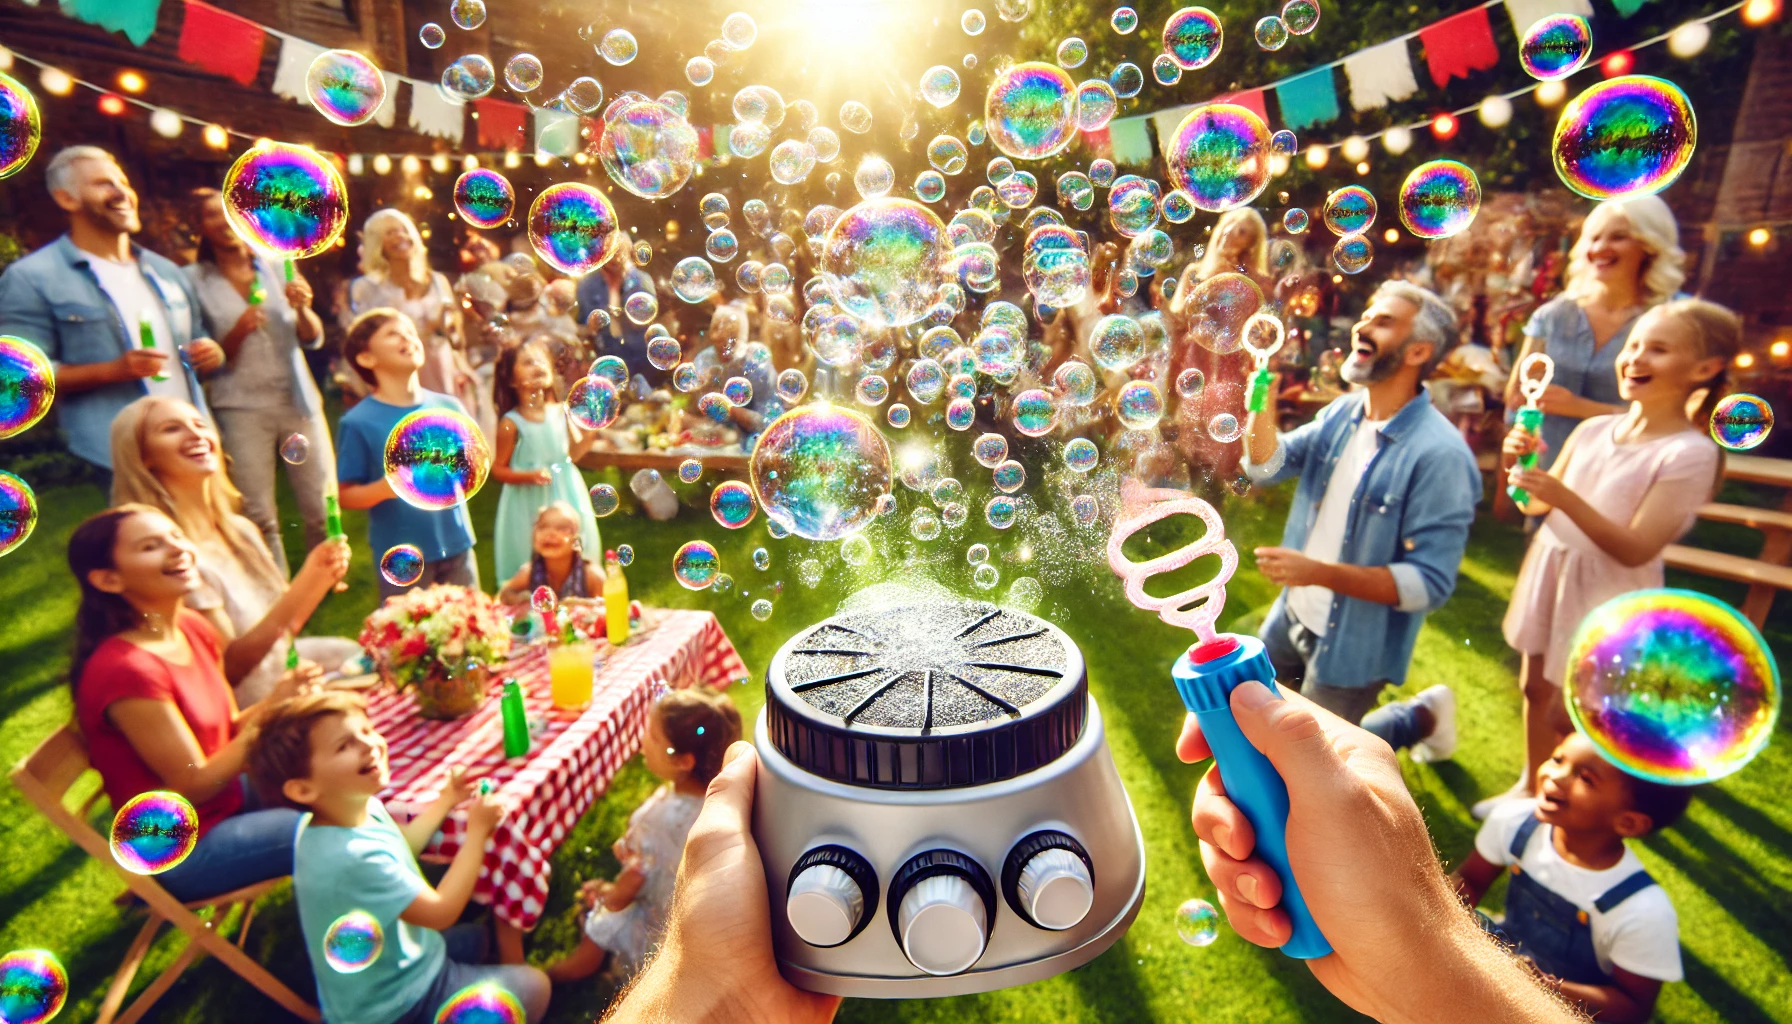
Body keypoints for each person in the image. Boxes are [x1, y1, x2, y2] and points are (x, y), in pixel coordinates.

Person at [1476, 299, 1733, 818]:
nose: (1635, 357)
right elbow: (1535, 503)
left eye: (1657, 349)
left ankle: (1568, 802)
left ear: (1704, 370)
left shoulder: (1689, 452)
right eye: (1634, 344)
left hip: (1607, 592)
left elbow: (1636, 546)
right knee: (1534, 686)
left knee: (1573, 706)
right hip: (1553, 566)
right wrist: (1519, 461)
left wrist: (1562, 494)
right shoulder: (1594, 430)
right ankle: (1531, 785)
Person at [1240, 280, 1480, 753]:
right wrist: (1259, 405)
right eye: (1367, 313)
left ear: (1418, 352)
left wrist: (1318, 574)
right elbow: (1265, 466)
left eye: (1384, 320)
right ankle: (1419, 716)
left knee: (1313, 760)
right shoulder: (1342, 414)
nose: (1363, 323)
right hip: (1290, 615)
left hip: (1352, 649)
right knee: (1264, 731)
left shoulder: (1440, 455)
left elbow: (1426, 585)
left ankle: (1415, 719)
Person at [249, 690, 551, 1023]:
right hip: (398, 1005)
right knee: (537, 986)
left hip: (391, 968)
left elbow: (400, 844)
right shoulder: (351, 858)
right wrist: (477, 832)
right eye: (344, 746)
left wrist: (445, 801)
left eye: (366, 730)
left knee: (481, 939)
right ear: (303, 789)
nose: (369, 744)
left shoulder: (346, 810)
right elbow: (441, 912)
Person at [67, 505, 317, 904]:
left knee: (335, 780)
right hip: (183, 847)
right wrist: (267, 717)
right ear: (108, 579)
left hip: (228, 799)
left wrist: (279, 699)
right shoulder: (126, 670)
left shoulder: (191, 627)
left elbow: (225, 728)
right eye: (151, 546)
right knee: (326, 826)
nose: (177, 549)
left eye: (176, 536)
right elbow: (194, 785)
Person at [110, 396, 356, 704]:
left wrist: (319, 579)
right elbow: (231, 668)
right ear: (143, 457)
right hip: (253, 711)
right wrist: (305, 582)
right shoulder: (174, 558)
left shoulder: (240, 531)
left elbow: (283, 631)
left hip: (288, 677)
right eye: (172, 429)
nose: (196, 434)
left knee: (358, 656)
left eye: (200, 424)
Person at [0, 146, 223, 481]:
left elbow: (197, 336)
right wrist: (114, 370)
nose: (122, 193)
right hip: (121, 455)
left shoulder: (166, 270)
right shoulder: (31, 277)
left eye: (123, 182)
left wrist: (211, 351)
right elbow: (20, 377)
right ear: (66, 199)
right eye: (104, 184)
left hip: (195, 443)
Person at [1455, 733, 1690, 1022]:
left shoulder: (1644, 912)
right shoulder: (1514, 821)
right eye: (1557, 759)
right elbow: (1471, 880)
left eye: (1586, 778)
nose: (1554, 776)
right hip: (1501, 962)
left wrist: (1544, 987)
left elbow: (1632, 1008)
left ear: (1627, 822)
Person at [547, 688, 742, 983]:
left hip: (660, 938)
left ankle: (566, 972)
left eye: (653, 736)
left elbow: (628, 889)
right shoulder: (719, 802)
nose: (643, 739)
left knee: (603, 915)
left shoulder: (654, 821)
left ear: (684, 761)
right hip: (700, 925)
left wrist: (606, 901)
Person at [183, 188, 333, 567]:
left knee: (319, 499)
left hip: (297, 401)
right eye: (212, 215)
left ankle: (328, 569)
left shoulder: (277, 262)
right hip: (240, 407)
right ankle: (273, 585)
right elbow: (201, 354)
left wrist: (303, 310)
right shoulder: (193, 279)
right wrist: (238, 330)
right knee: (257, 508)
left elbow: (312, 337)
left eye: (229, 212)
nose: (223, 221)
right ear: (200, 226)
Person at [1502, 196, 1685, 473]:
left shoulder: (1671, 321)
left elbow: (1676, 417)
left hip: (1625, 472)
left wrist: (1581, 408)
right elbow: (1516, 397)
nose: (1599, 248)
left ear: (1650, 246)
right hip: (1546, 473)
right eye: (1594, 238)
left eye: (1618, 237)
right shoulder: (1553, 315)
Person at [336, 309, 479, 602]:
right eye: (392, 333)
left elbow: (471, 465)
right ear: (366, 359)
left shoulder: (448, 407)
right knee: (412, 639)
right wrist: (388, 487)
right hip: (401, 557)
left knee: (472, 629)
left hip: (457, 542)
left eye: (410, 331)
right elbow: (346, 496)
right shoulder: (359, 421)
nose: (407, 336)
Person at [1165, 208, 1273, 484]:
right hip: (1194, 361)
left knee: (1225, 432)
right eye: (1229, 224)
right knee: (1190, 433)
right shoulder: (1195, 273)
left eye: (1242, 231)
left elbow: (1258, 330)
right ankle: (1191, 495)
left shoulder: (1257, 281)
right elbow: (1177, 321)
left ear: (1252, 243)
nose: (1230, 232)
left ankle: (1220, 495)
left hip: (1231, 365)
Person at [490, 340, 600, 583]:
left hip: (566, 491)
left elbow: (571, 454)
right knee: (528, 551)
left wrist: (591, 434)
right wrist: (527, 476)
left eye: (542, 360)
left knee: (575, 545)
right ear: (510, 379)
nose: (537, 365)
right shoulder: (511, 423)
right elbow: (498, 469)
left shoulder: (562, 411)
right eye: (528, 362)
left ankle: (578, 590)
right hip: (528, 500)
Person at [343, 209, 475, 410]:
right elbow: (365, 338)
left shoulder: (438, 281)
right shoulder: (367, 287)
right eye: (390, 233)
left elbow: (457, 339)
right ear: (377, 244)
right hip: (400, 373)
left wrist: (453, 327)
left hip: (442, 368)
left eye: (404, 230)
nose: (400, 237)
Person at [574, 238, 658, 387]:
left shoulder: (641, 281)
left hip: (641, 363)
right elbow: (580, 328)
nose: (615, 259)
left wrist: (615, 290)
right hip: (602, 365)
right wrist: (589, 329)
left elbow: (643, 322)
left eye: (620, 253)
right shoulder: (587, 285)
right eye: (611, 253)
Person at [496, 502, 603, 607]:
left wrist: (585, 604)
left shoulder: (591, 575)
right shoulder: (530, 572)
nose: (550, 533)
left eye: (562, 528)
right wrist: (521, 598)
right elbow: (505, 593)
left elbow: (610, 606)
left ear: (576, 540)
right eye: (543, 527)